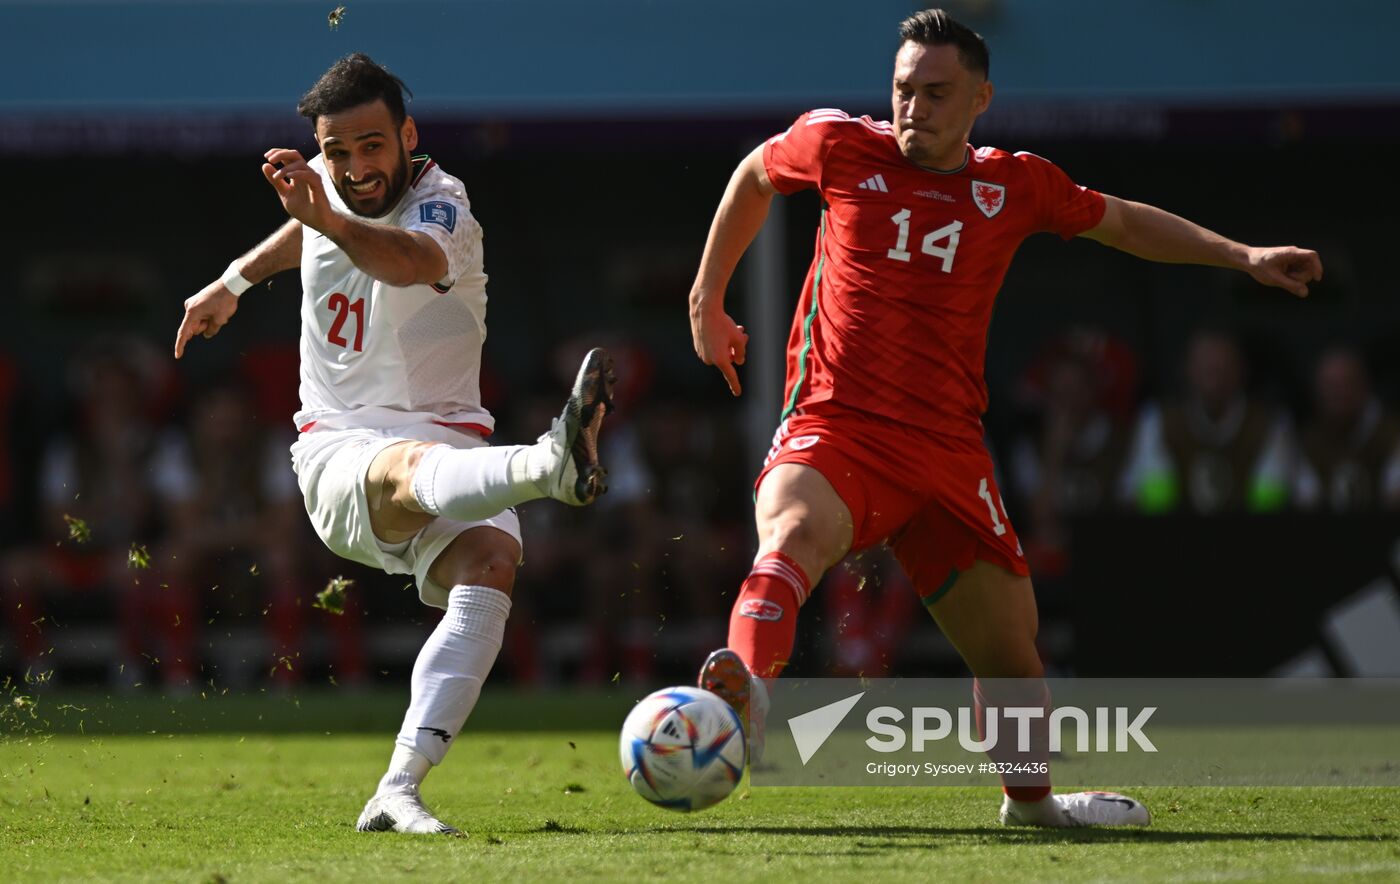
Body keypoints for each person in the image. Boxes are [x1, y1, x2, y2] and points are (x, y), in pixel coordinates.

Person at [687, 9, 1321, 828]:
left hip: (950, 454)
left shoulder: (1013, 185)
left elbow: (1123, 221)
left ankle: (1032, 806)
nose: (915, 107)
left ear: (982, 96)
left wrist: (1242, 256)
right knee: (790, 541)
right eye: (904, 90)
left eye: (938, 93)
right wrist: (708, 298)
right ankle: (741, 709)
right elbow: (755, 175)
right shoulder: (844, 145)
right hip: (838, 424)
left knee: (1010, 653)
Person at [174, 54, 616, 835]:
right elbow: (304, 235)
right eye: (336, 153)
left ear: (407, 134)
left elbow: (406, 261)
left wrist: (322, 217)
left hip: (451, 450)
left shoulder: (446, 208)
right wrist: (234, 284)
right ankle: (548, 465)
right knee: (410, 472)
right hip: (340, 450)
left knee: (490, 567)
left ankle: (398, 787)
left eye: (371, 146)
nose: (353, 167)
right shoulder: (329, 188)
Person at [1121, 329, 1295, 514]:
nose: (1214, 373)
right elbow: (1152, 501)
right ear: (1186, 369)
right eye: (1205, 365)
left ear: (1242, 370)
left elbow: (1270, 505)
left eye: (1223, 365)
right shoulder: (1157, 420)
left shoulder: (1271, 424)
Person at [1294, 346, 1400, 511]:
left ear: (1364, 385)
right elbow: (1307, 501)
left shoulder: (1392, 432)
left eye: (1345, 384)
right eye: (1330, 386)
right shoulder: (1310, 439)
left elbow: (1395, 498)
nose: (1337, 394)